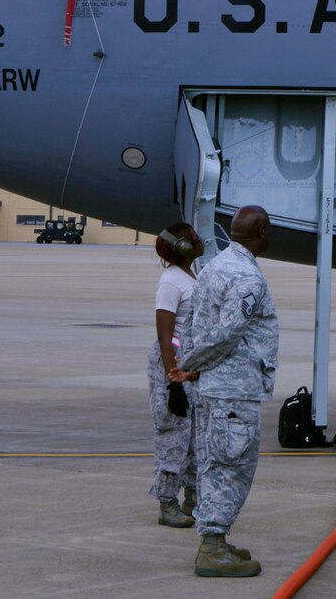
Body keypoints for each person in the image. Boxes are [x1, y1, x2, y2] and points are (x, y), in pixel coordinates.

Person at [169, 205, 279, 579]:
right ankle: (212, 548)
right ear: (262, 232)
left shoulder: (214, 267)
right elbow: (227, 333)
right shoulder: (247, 278)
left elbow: (192, 323)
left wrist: (192, 365)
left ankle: (214, 541)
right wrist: (192, 363)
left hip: (213, 387)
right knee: (231, 467)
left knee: (214, 463)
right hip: (233, 390)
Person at [148, 222, 204, 529]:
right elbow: (165, 335)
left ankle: (193, 499)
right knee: (174, 436)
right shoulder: (171, 282)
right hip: (174, 366)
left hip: (190, 367)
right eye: (193, 238)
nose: (200, 240)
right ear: (182, 247)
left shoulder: (192, 276)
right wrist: (173, 382)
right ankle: (167, 503)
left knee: (195, 438)